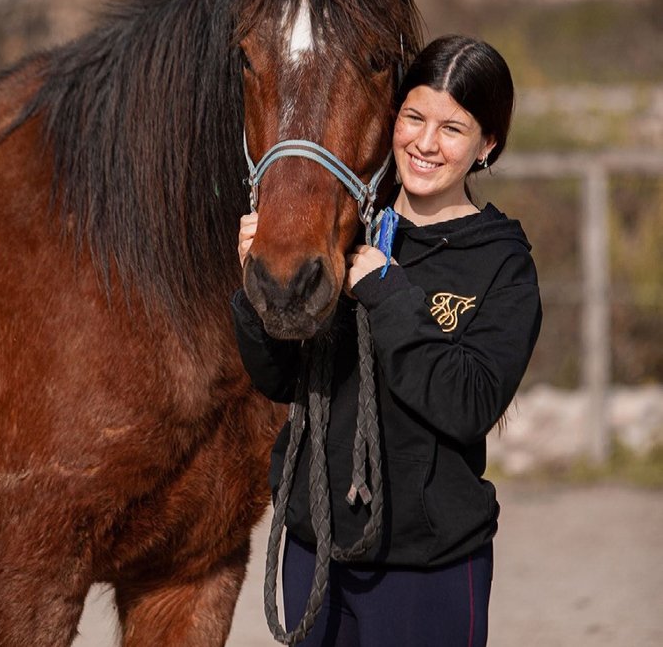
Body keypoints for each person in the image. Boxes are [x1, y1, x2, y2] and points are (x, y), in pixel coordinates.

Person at [231, 35, 542, 647]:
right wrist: (253, 291)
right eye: (415, 117)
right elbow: (278, 379)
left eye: (453, 128)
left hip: (427, 567)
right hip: (315, 551)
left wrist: (386, 291)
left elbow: (468, 402)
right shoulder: (337, 234)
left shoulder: (502, 264)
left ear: (488, 145)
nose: (426, 143)